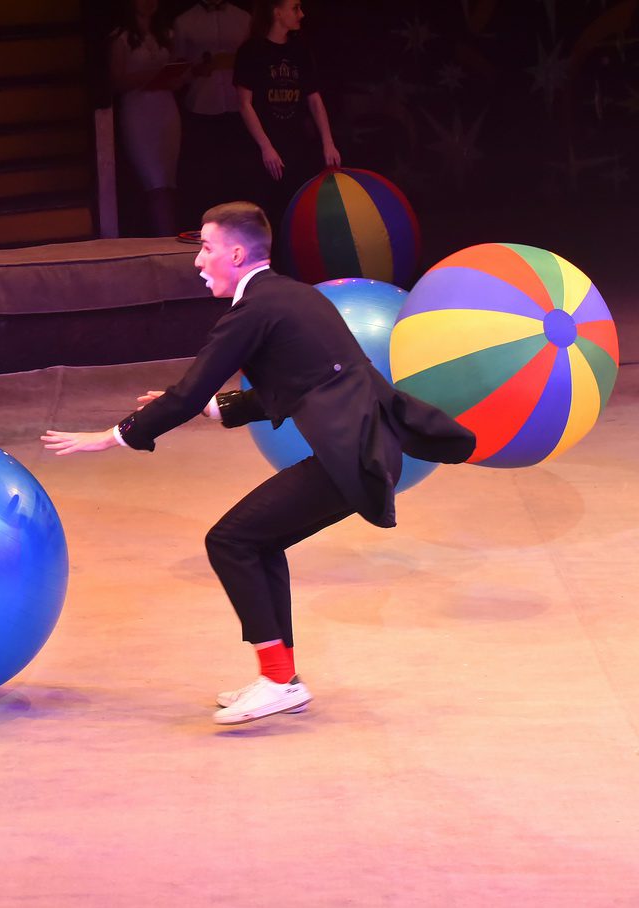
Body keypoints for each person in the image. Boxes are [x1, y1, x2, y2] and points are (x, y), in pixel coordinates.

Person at [42, 201, 475, 726]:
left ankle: (277, 682)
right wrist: (215, 408)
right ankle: (281, 678)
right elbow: (300, 382)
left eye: (206, 248)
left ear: (236, 254)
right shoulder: (293, 296)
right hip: (364, 450)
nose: (198, 261)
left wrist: (114, 437)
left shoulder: (253, 312)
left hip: (349, 456)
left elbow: (186, 392)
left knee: (231, 541)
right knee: (258, 541)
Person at [232, 0, 340, 236]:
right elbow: (244, 103)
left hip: (296, 144)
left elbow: (314, 99)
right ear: (277, 12)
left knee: (296, 211)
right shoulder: (252, 51)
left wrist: (328, 142)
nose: (301, 14)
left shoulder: (299, 49)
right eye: (295, 8)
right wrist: (266, 147)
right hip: (263, 147)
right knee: (264, 214)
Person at [109, 0, 186, 236]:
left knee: (168, 180)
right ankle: (165, 239)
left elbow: (177, 75)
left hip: (166, 108)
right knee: (155, 181)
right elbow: (117, 81)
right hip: (138, 111)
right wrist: (150, 75)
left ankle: (168, 235)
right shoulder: (121, 38)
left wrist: (178, 75)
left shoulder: (166, 34)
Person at [173, 0, 252, 223]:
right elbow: (176, 69)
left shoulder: (243, 19)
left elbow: (254, 62)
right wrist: (196, 69)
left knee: (237, 172)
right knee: (205, 175)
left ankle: (239, 226)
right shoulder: (184, 21)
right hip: (202, 105)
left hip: (237, 106)